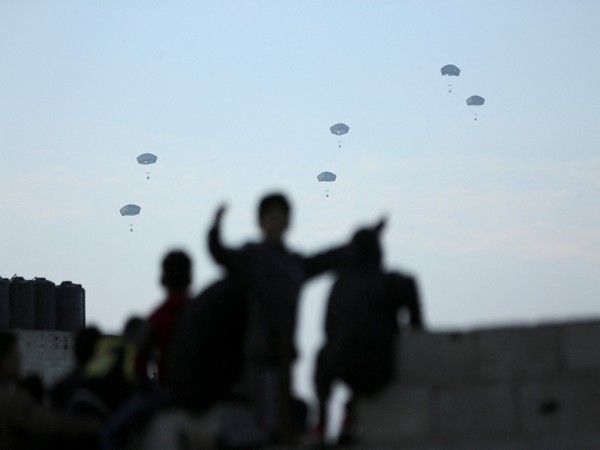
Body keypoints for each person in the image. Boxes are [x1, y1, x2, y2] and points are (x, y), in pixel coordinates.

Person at [207, 192, 384, 446]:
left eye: (282, 217)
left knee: (283, 428)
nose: (277, 222)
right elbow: (220, 253)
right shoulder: (252, 257)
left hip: (285, 358)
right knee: (263, 430)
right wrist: (215, 227)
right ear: (261, 221)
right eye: (272, 216)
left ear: (289, 222)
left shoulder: (295, 264)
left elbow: (329, 258)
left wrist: (366, 240)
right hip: (260, 357)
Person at [313, 228, 424, 445]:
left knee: (325, 356)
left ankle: (322, 421)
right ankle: (348, 417)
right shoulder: (391, 281)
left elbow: (328, 327)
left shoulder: (340, 283)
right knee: (361, 354)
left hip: (342, 363)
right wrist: (416, 328)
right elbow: (410, 283)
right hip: (381, 367)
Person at [0, 331, 102, 450]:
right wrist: (93, 426)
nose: (20, 362)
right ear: (4, 362)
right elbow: (49, 424)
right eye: (16, 357)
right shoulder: (9, 397)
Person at [147, 250, 193, 386]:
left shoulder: (156, 319)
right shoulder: (204, 313)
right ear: (190, 277)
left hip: (167, 389)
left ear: (163, 279)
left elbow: (139, 361)